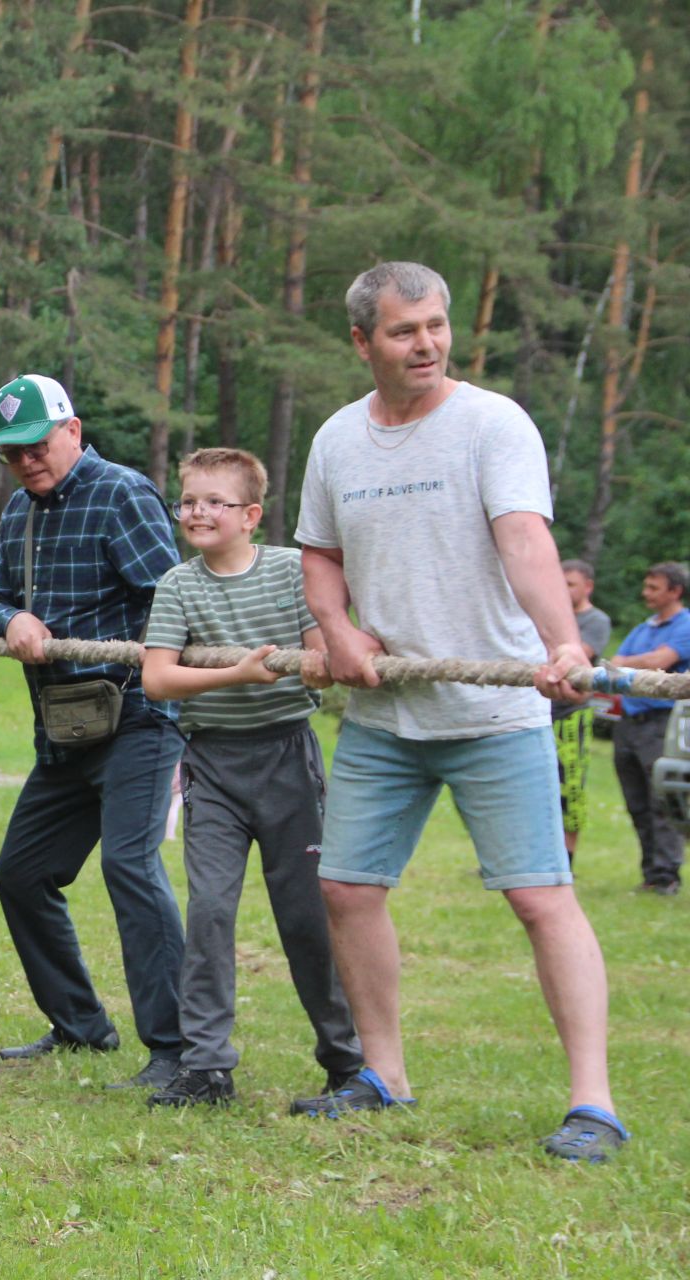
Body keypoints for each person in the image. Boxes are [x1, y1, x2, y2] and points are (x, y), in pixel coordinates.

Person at [296, 260, 623, 1162]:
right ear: (363, 342)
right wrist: (340, 630)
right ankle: (384, 1076)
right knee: (348, 890)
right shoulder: (337, 440)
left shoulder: (492, 423)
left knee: (540, 897)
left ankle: (592, 1105)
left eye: (436, 325)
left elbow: (525, 538)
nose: (428, 343)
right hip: (385, 715)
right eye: (404, 331)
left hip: (494, 710)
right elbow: (318, 555)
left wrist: (563, 644)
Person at [0, 374, 187, 1090]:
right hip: (62, 728)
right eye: (12, 454)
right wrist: (14, 622)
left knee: (129, 866)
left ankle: (177, 1051)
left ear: (72, 429)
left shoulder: (122, 492)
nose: (27, 463)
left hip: (137, 719)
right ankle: (81, 1025)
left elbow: (172, 604)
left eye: (37, 446)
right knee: (21, 874)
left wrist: (88, 648)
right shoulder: (17, 513)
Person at [137, 447, 360, 1108]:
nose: (198, 512)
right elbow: (157, 678)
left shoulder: (292, 572)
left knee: (306, 918)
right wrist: (238, 673)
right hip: (212, 763)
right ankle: (206, 1067)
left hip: (287, 759)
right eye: (189, 501)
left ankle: (347, 1059)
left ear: (251, 515)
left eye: (215, 501)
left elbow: (322, 639)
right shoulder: (178, 584)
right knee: (208, 913)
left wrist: (317, 657)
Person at [608, 562, 690, 896]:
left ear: (675, 591)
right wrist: (632, 661)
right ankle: (650, 873)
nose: (646, 593)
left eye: (654, 587)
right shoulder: (643, 627)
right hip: (629, 724)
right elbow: (618, 658)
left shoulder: (685, 625)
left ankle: (667, 876)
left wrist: (629, 662)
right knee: (636, 802)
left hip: (662, 724)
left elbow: (661, 661)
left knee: (662, 802)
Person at [554, 559, 612, 863]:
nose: (563, 590)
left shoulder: (596, 620)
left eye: (570, 584)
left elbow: (577, 657)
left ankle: (567, 859)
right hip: (539, 713)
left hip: (570, 714)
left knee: (570, 786)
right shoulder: (547, 618)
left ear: (587, 586)